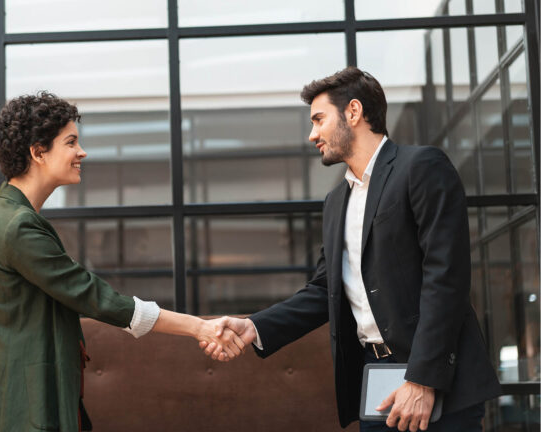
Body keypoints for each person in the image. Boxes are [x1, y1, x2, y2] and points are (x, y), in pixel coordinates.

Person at [202, 67, 500, 432]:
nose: (312, 134)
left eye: (319, 119)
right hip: (376, 385)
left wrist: (423, 381)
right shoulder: (335, 201)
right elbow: (322, 291)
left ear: (354, 112)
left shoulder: (421, 167)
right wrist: (253, 326)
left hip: (438, 384)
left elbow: (446, 279)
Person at [0, 92, 244, 432]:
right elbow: (97, 298)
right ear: (38, 152)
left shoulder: (7, 217)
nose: (81, 152)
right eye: (71, 142)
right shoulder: (18, 226)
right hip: (27, 410)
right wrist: (199, 327)